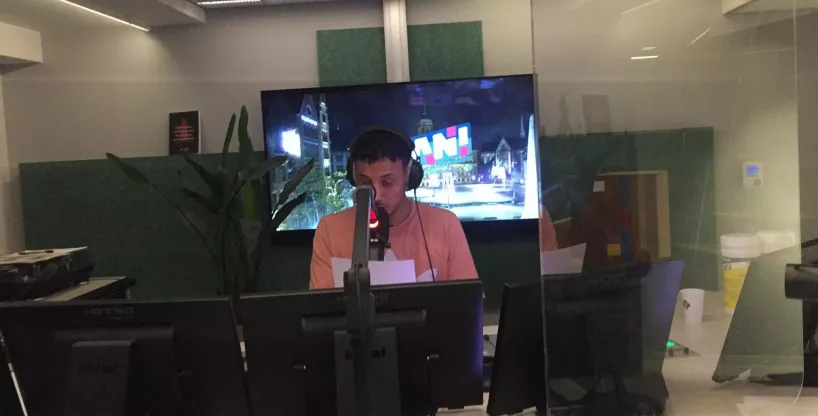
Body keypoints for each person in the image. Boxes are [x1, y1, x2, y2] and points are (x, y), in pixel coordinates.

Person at [310, 127, 478, 289]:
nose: (376, 195)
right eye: (365, 183)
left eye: (387, 182)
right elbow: (321, 306)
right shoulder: (329, 230)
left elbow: (468, 303)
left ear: (408, 177)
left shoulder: (446, 225)